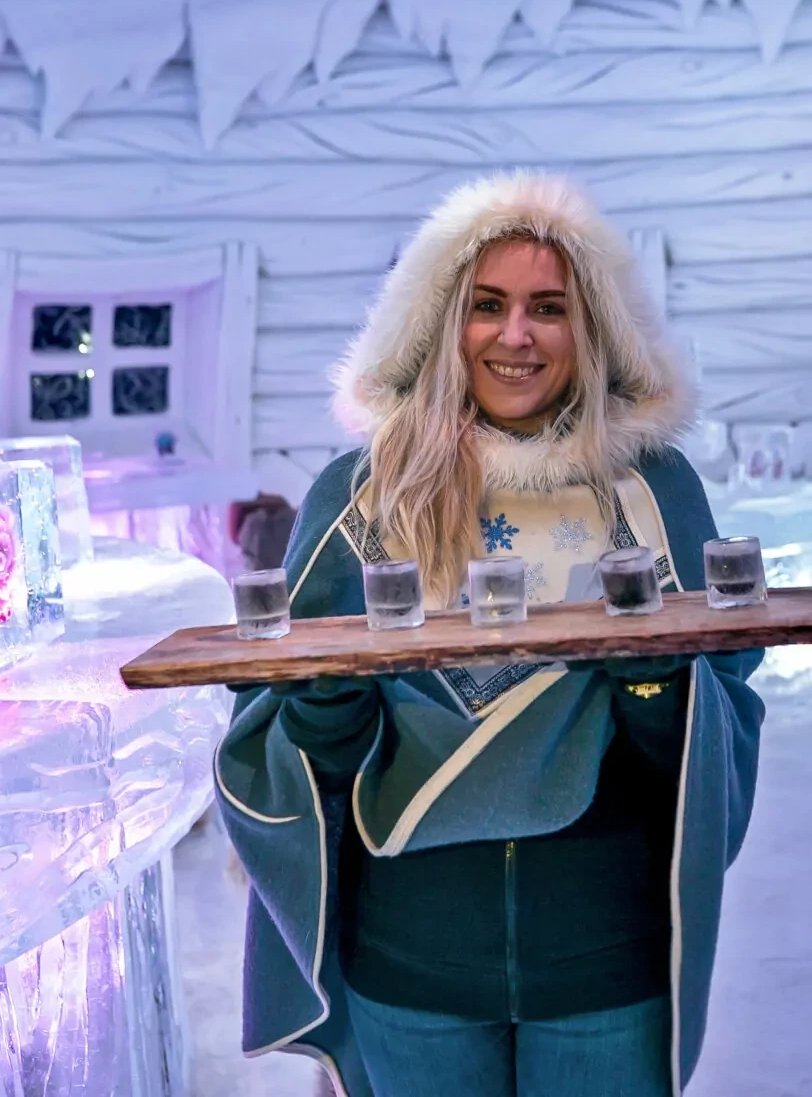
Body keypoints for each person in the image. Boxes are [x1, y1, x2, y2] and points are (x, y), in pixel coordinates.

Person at [214, 173, 766, 1097]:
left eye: (549, 308)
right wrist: (326, 705)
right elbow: (298, 766)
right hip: (410, 970)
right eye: (487, 305)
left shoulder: (650, 489)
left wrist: (656, 682)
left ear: (592, 328)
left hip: (605, 965)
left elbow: (706, 749)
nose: (516, 335)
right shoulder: (361, 498)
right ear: (439, 321)